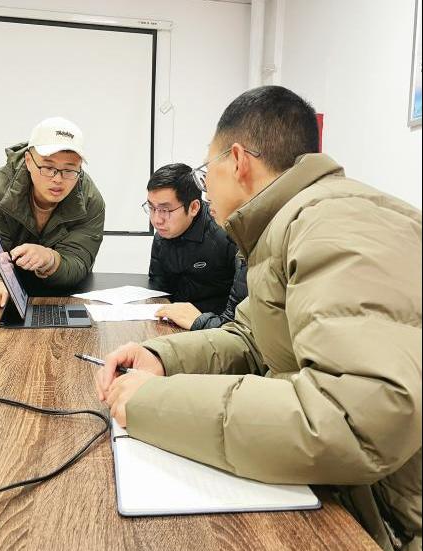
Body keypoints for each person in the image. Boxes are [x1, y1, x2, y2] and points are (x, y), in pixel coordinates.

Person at [96, 86, 422, 551]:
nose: (205, 191)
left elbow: (354, 421)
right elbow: (252, 338)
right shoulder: (289, 225)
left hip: (389, 524)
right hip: (348, 495)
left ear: (237, 161)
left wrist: (154, 403)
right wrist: (162, 358)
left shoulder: (334, 222)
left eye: (206, 173)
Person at [0, 117, 105, 307]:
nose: (58, 179)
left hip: (62, 296)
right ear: (29, 161)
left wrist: (51, 259)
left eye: (69, 170)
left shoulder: (89, 200)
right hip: (6, 295)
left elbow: (79, 261)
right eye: (48, 167)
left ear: (79, 167)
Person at [146, 163, 237, 314]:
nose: (156, 220)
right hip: (174, 321)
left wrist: (200, 322)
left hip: (218, 324)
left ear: (194, 207)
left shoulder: (226, 235)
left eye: (164, 210)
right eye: (151, 208)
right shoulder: (161, 238)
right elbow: (158, 291)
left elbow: (242, 307)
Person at [155, 255, 247, 330]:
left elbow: (238, 327)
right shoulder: (243, 252)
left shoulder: (227, 244)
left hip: (213, 322)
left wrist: (199, 321)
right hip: (208, 321)